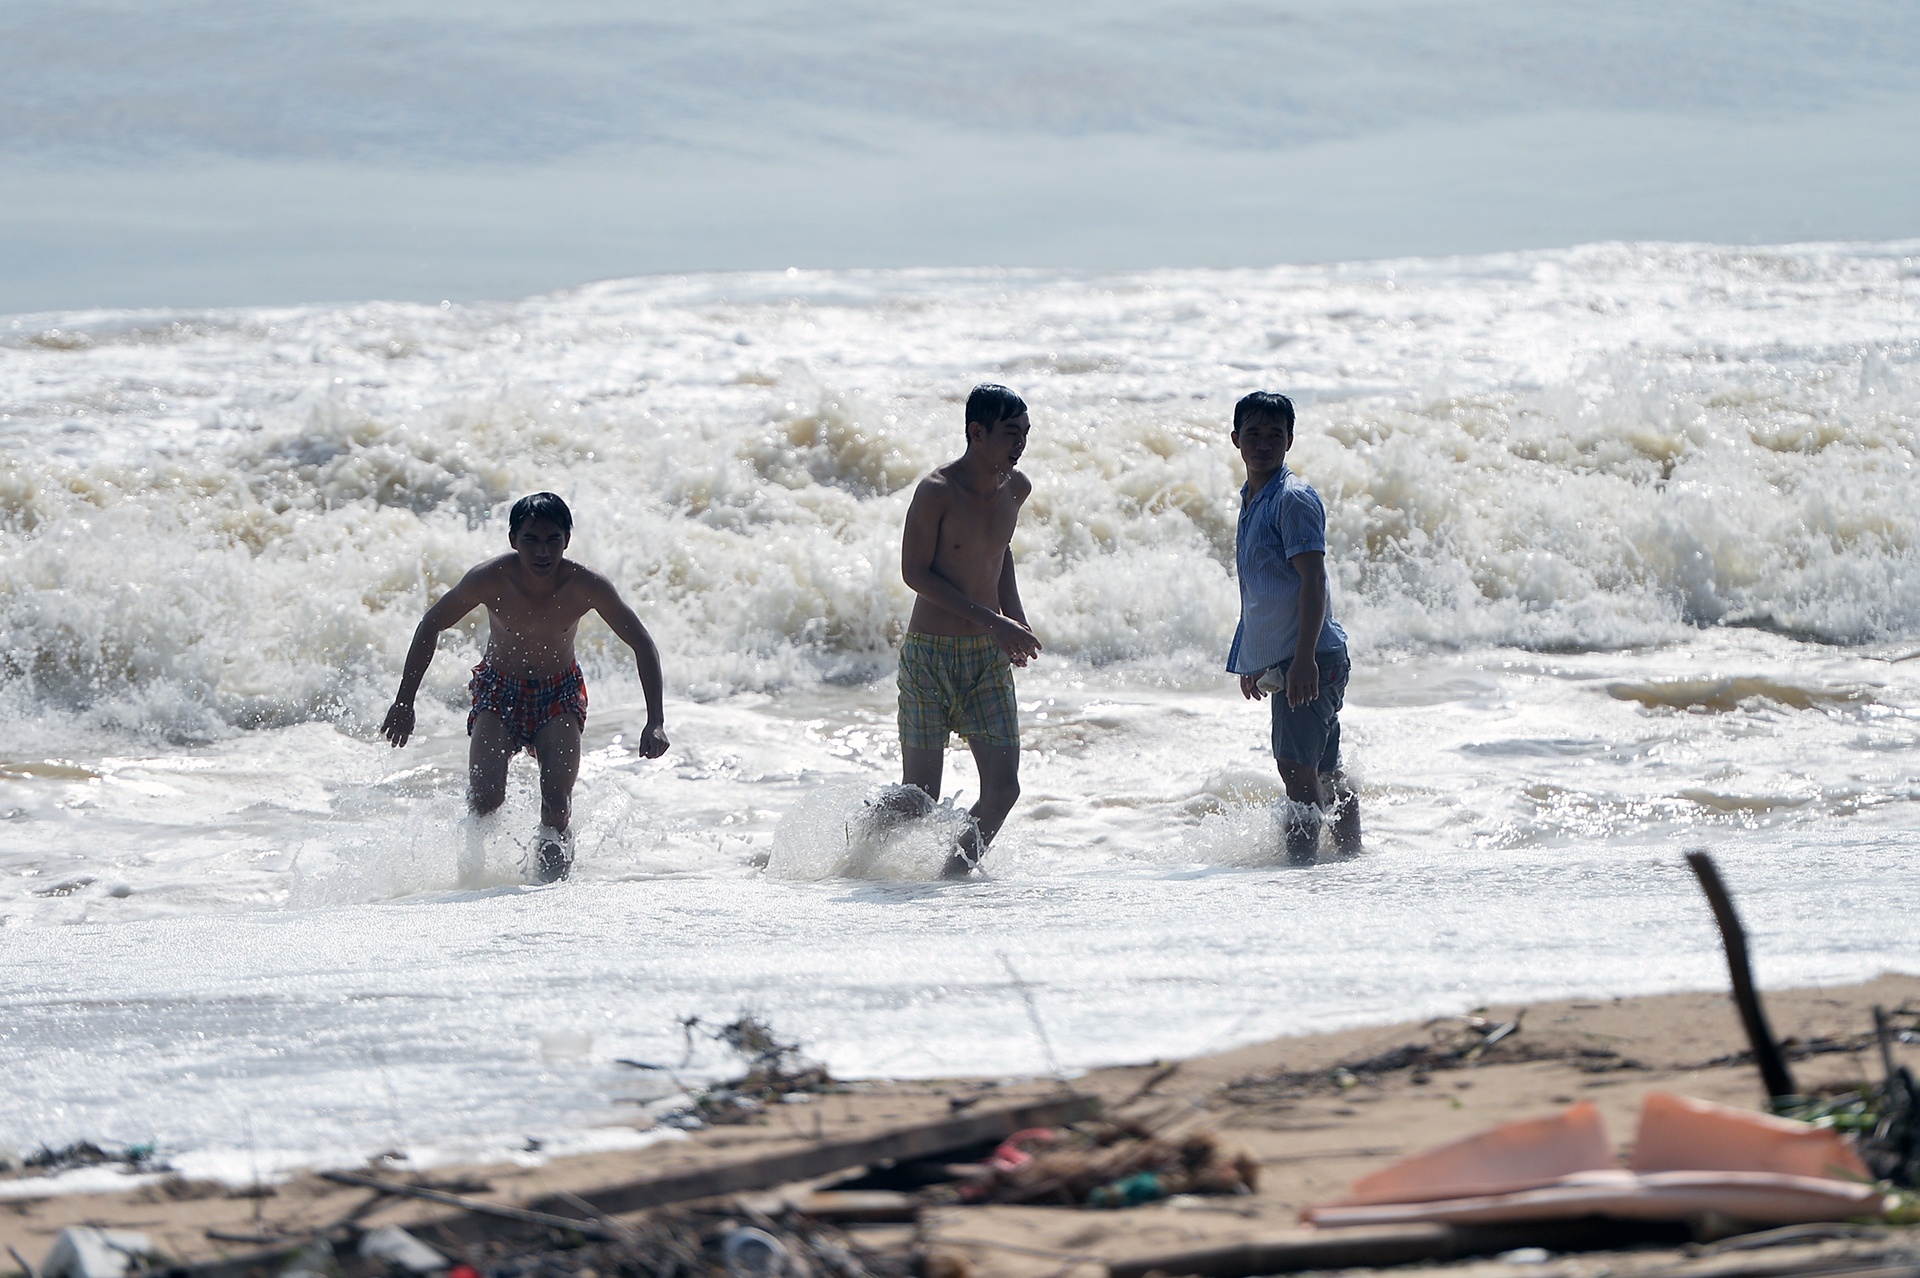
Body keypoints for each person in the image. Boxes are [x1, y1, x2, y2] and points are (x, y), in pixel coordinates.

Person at [380, 492, 669, 882]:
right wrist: (404, 701)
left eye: (553, 539)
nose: (542, 551)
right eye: (531, 539)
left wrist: (655, 720)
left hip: (559, 693)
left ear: (567, 539)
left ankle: (550, 894)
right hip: (499, 692)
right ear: (513, 538)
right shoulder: (490, 579)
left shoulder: (586, 585)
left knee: (555, 804)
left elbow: (642, 642)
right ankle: (472, 885)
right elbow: (432, 622)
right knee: (485, 798)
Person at [895, 383, 1043, 876]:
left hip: (985, 657)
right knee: (919, 800)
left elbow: (998, 555)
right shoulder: (937, 491)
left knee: (1003, 790)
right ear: (977, 433)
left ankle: (951, 877)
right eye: (1009, 434)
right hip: (929, 657)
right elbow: (914, 573)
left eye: (1024, 433)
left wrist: (1013, 617)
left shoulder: (1016, 489)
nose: (1019, 444)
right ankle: (852, 846)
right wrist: (993, 620)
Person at [1225, 392, 1361, 865]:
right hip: (1296, 657)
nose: (1264, 443)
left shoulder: (1292, 499)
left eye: (1275, 435)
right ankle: (1348, 859)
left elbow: (1313, 581)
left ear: (1289, 441)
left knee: (1296, 770)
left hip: (1312, 657)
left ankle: (1302, 873)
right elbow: (1262, 589)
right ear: (1236, 438)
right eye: (1254, 433)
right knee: (1323, 769)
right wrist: (1253, 659)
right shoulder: (1253, 498)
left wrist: (1302, 660)